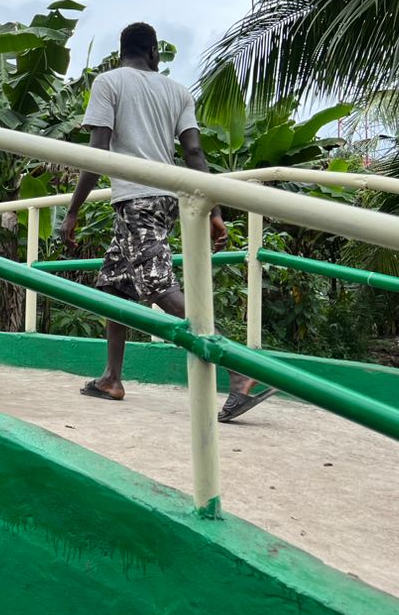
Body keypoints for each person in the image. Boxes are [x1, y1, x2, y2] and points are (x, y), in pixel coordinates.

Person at [61, 22, 276, 423]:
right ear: (154, 53)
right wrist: (213, 211)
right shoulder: (177, 91)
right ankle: (111, 378)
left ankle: (238, 367)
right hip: (165, 197)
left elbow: (97, 151)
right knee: (115, 288)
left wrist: (73, 210)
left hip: (135, 200)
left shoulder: (109, 83)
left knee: (159, 286)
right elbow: (193, 153)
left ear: (121, 51)